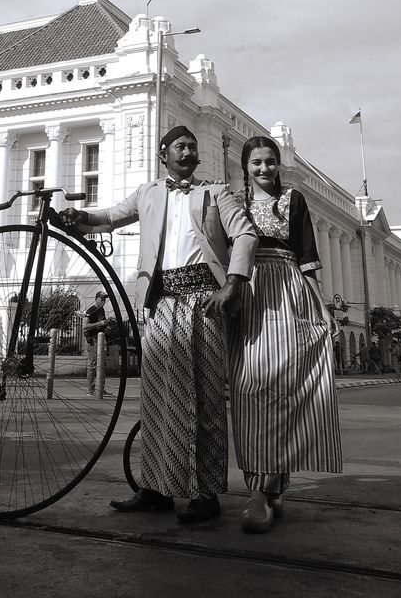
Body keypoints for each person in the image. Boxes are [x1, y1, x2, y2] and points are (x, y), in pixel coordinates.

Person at [60, 124, 257, 524]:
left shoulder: (216, 192)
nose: (188, 152)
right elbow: (110, 216)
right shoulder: (149, 193)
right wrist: (77, 216)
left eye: (193, 147)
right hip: (161, 304)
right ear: (163, 153)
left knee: (205, 399)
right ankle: (155, 488)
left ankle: (206, 492)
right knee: (156, 399)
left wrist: (233, 284)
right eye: (180, 146)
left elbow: (246, 235)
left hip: (204, 304)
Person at [226, 136, 342, 534]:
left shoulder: (294, 200)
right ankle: (258, 488)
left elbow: (307, 257)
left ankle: (272, 484)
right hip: (249, 293)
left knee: (287, 392)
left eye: (270, 161)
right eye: (256, 162)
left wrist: (323, 309)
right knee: (249, 390)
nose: (264, 168)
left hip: (290, 294)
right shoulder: (233, 202)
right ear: (245, 165)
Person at [84, 291, 113, 397]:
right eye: (101, 300)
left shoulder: (102, 310)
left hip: (101, 340)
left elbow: (102, 323)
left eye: (104, 300)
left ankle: (101, 388)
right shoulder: (91, 310)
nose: (103, 302)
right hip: (92, 340)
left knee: (102, 365)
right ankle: (90, 390)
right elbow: (85, 326)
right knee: (92, 365)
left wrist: (106, 323)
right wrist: (99, 324)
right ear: (96, 299)